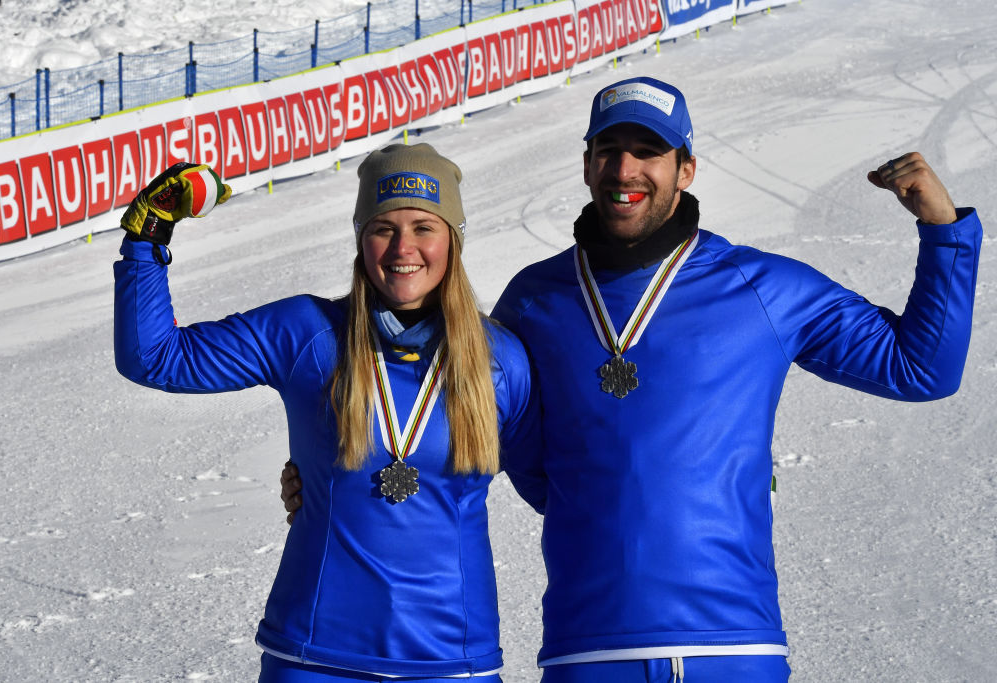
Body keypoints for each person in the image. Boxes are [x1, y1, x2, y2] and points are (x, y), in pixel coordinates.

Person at [281, 76, 982, 682]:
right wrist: (327, 462)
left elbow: (919, 368)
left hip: (734, 647)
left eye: (648, 151)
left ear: (686, 168)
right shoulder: (537, 298)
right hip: (588, 651)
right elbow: (485, 420)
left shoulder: (760, 287)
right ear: (586, 164)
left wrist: (944, 230)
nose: (626, 169)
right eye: (609, 151)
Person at [114, 144, 537, 682]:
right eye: (383, 228)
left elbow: (556, 485)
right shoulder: (307, 334)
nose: (403, 247)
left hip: (452, 661)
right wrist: (147, 239)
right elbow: (155, 358)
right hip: (313, 655)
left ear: (453, 240)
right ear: (360, 240)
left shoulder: (500, 362)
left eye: (424, 227)